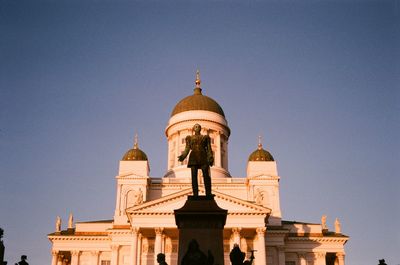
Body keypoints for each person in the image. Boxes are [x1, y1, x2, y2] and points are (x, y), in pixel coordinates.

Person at [178, 124, 214, 197]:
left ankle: (208, 193)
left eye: (198, 127)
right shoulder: (189, 138)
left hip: (203, 156)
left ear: (200, 129)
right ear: (193, 129)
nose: (197, 128)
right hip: (193, 157)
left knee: (206, 175)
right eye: (195, 127)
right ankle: (195, 194)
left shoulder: (205, 138)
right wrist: (183, 156)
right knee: (194, 176)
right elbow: (187, 149)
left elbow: (209, 149)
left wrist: (210, 157)